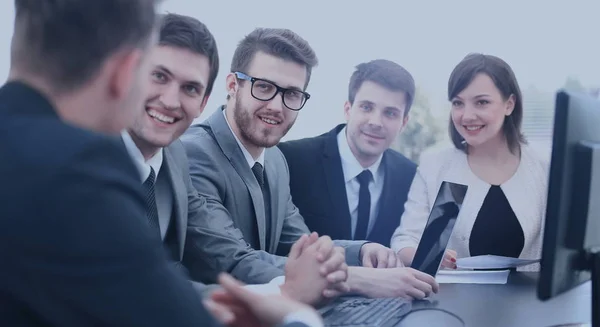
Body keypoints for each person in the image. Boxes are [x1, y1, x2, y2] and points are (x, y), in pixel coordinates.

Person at [0, 1, 220, 325]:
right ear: (126, 71)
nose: (170, 100)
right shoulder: (80, 171)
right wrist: (297, 319)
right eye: (155, 74)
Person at [181, 28, 439, 300]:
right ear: (233, 85)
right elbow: (234, 261)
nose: (277, 107)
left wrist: (361, 251)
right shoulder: (194, 154)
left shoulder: (275, 160)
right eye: (264, 87)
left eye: (291, 94)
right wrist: (358, 279)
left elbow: (303, 250)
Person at [123, 13, 347, 306]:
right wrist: (293, 294)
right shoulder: (188, 152)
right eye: (159, 76)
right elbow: (228, 258)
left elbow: (164, 275)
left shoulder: (173, 157)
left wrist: (364, 256)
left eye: (190, 88)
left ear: (203, 102)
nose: (170, 100)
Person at [391, 53, 549, 272]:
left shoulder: (544, 166)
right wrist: (429, 253)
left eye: (481, 102)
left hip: (533, 301)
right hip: (454, 300)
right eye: (458, 103)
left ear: (509, 104)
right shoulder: (436, 164)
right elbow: (405, 239)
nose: (467, 116)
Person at [278, 59, 417, 247]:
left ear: (404, 122)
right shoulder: (291, 161)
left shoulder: (411, 177)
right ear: (348, 109)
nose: (376, 122)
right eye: (366, 107)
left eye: (390, 113)